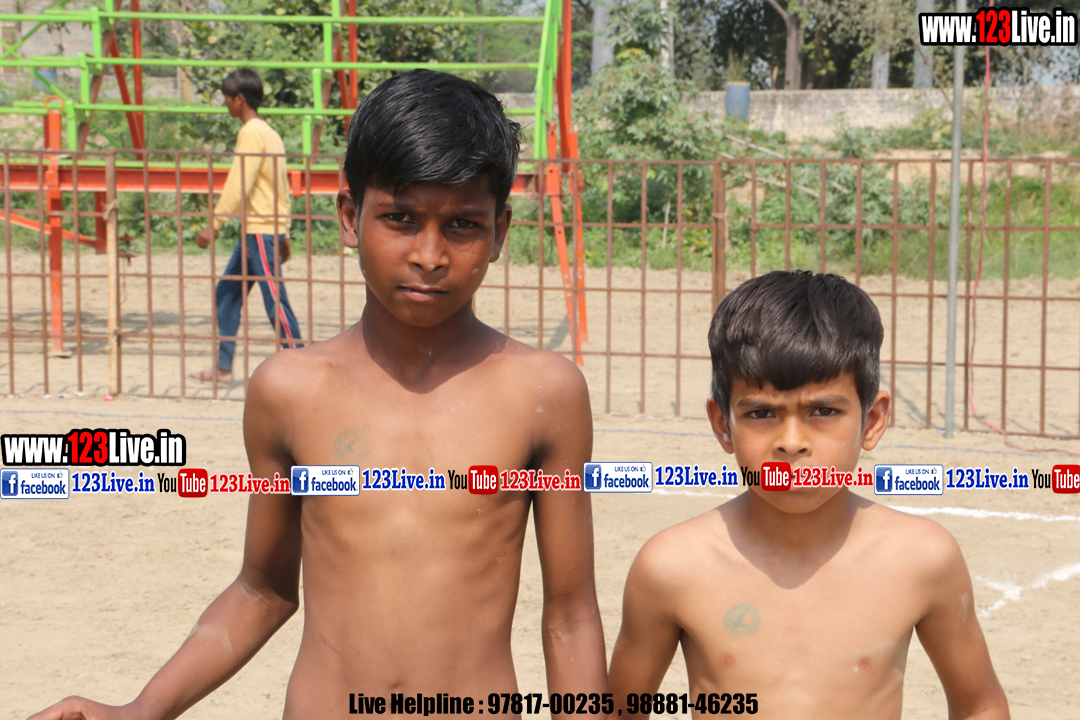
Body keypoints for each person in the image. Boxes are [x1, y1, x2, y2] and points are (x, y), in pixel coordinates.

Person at [30, 70, 606, 719]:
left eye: (463, 225)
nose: (429, 254)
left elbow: (570, 616)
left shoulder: (543, 394)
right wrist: (139, 711)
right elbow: (262, 590)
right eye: (400, 218)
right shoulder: (289, 391)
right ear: (349, 217)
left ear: (499, 231)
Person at [608, 270, 1009, 720]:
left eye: (824, 411)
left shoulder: (922, 558)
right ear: (723, 425)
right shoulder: (672, 566)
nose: (792, 443)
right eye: (761, 413)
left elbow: (981, 706)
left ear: (872, 420)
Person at [189, 68, 302, 385]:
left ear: (239, 99)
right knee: (227, 292)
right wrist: (285, 231)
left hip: (261, 229)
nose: (225, 104)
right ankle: (223, 368)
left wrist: (214, 224)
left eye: (226, 98)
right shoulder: (270, 132)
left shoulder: (251, 132)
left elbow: (240, 181)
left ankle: (302, 365)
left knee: (274, 299)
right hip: (260, 228)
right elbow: (280, 186)